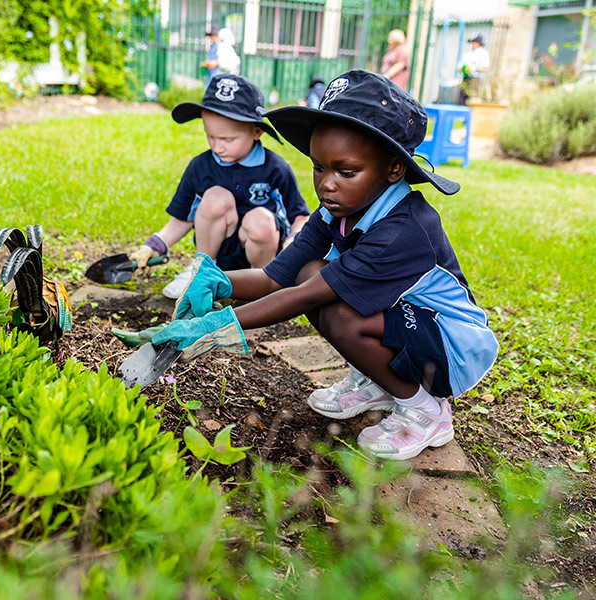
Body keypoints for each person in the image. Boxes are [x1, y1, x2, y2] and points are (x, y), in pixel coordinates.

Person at [150, 70, 499, 461]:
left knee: (341, 315)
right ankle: (378, 380)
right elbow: (276, 277)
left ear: (394, 169)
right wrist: (215, 280)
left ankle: (425, 409)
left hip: (449, 346)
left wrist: (218, 325)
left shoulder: (403, 230)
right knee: (309, 270)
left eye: (345, 172)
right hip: (407, 321)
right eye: (319, 167)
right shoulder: (337, 210)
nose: (327, 184)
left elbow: (303, 298)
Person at [129, 74, 311, 300]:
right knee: (215, 197)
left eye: (227, 139)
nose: (217, 147)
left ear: (257, 131)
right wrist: (153, 245)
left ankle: (263, 284)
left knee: (261, 220)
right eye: (211, 136)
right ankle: (203, 272)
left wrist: (292, 241)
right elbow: (183, 218)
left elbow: (300, 216)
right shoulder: (200, 167)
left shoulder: (276, 168)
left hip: (260, 255)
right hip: (219, 252)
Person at [458, 33, 490, 104]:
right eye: (472, 42)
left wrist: (473, 69)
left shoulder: (483, 53)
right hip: (466, 78)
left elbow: (485, 67)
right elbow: (461, 65)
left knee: (471, 99)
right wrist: (462, 68)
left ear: (479, 43)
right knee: (461, 99)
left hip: (475, 79)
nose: (473, 44)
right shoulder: (468, 53)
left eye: (475, 42)